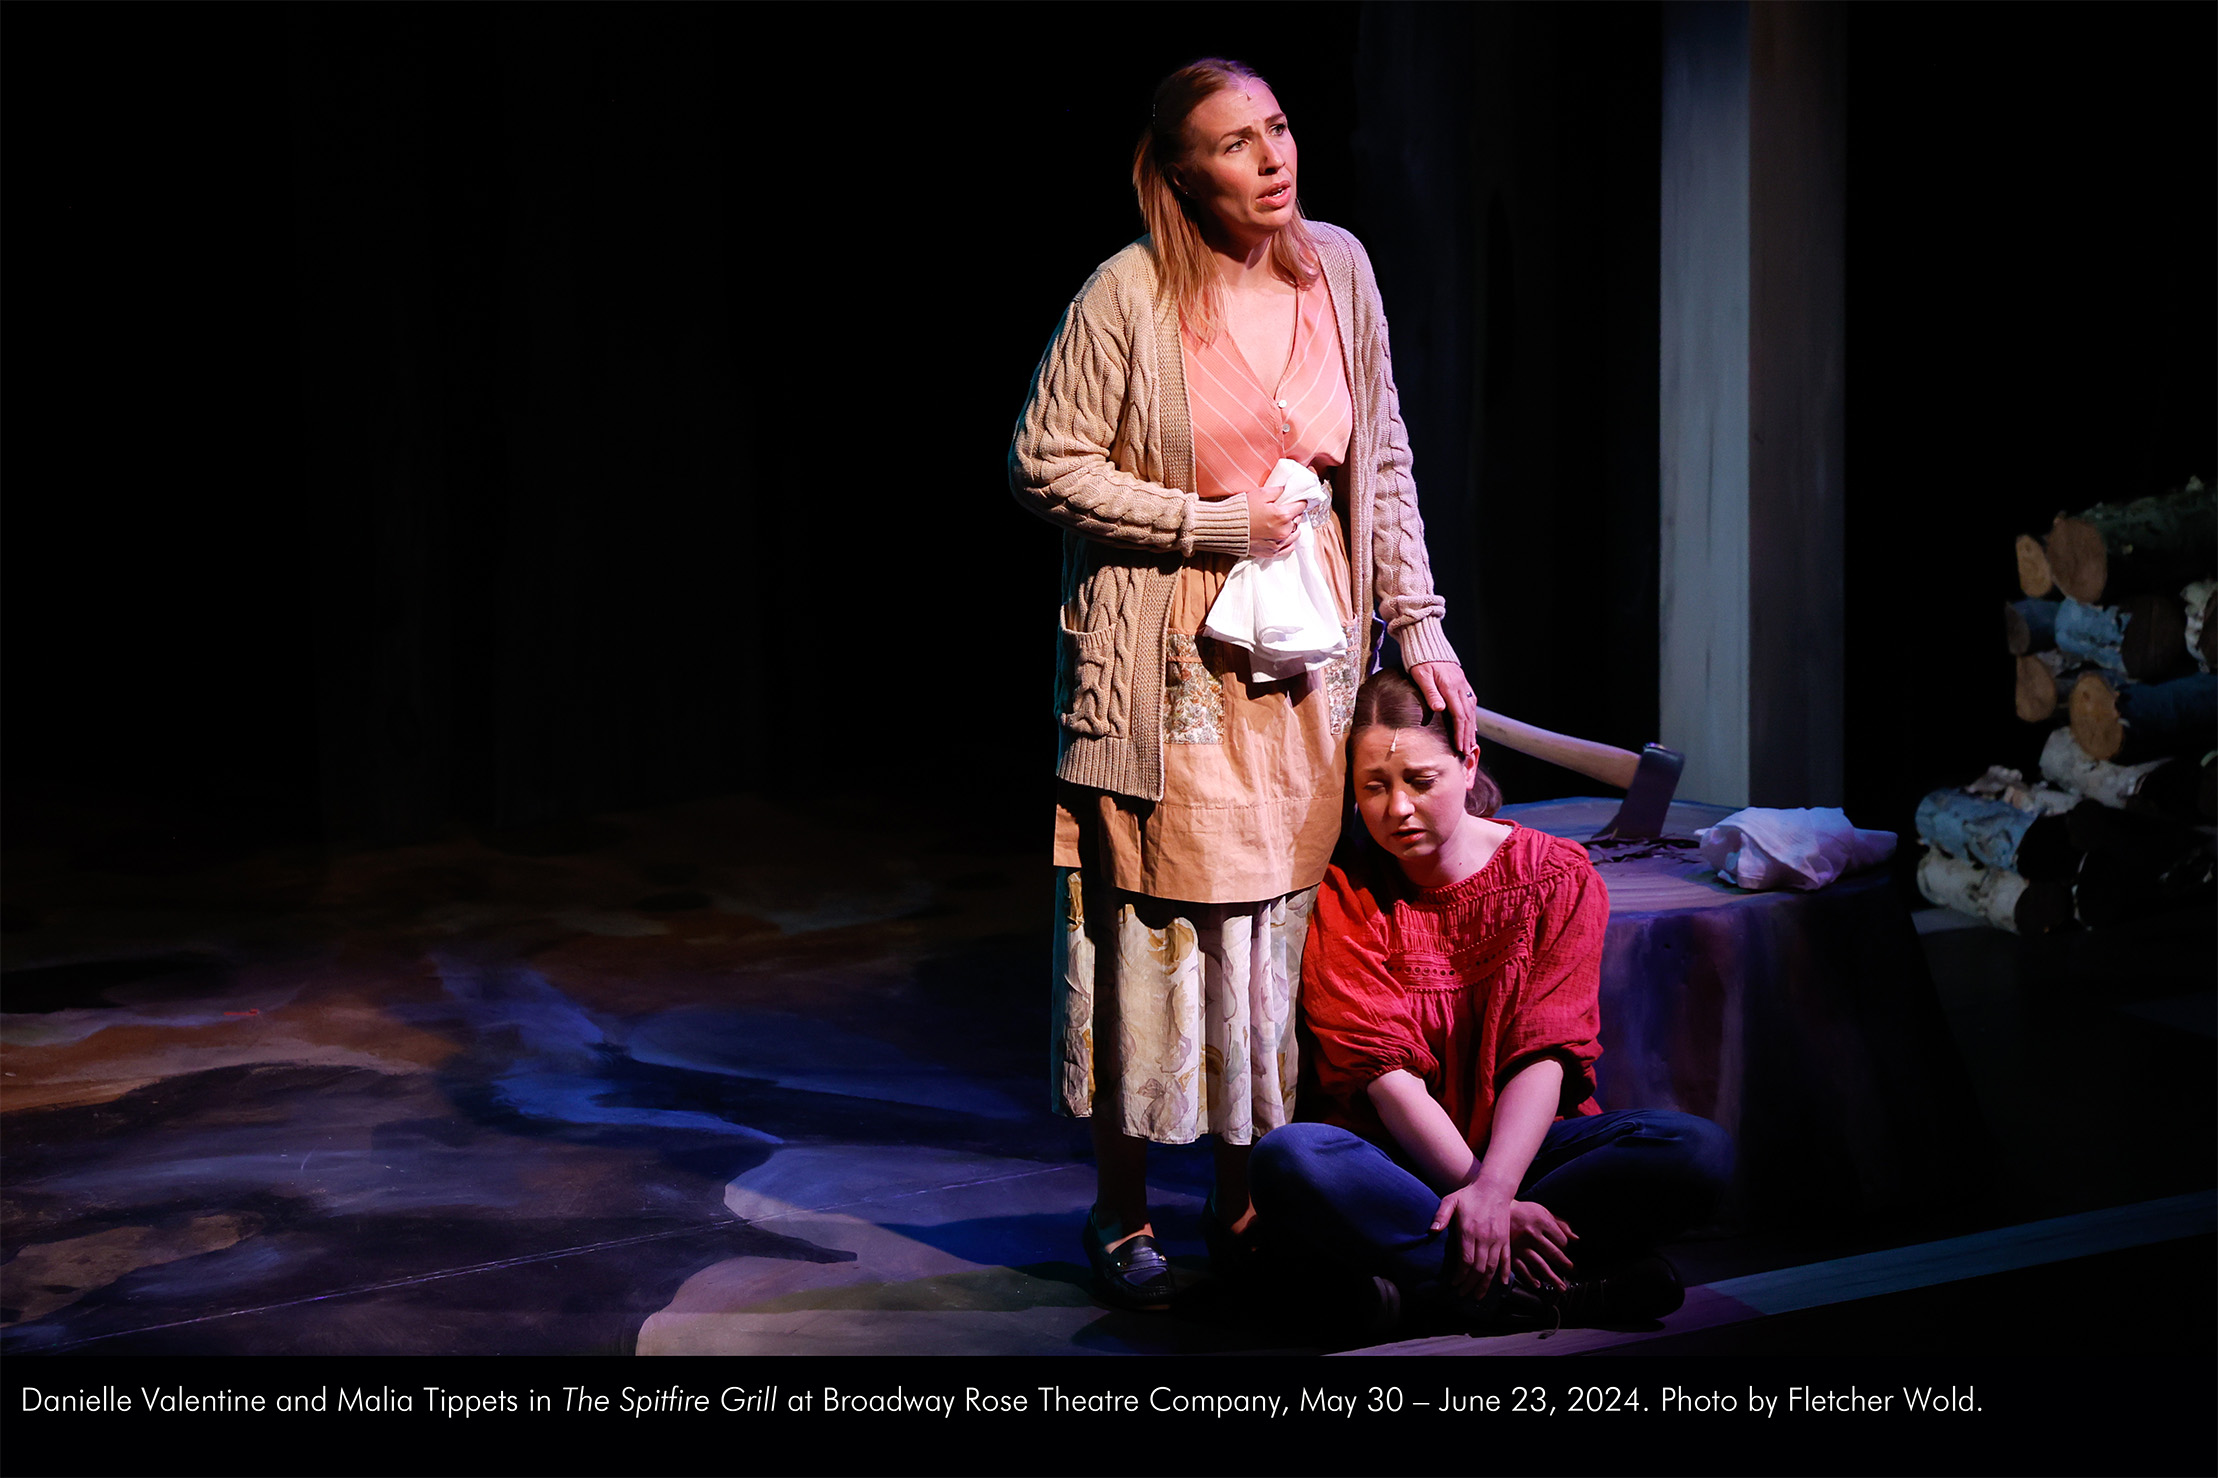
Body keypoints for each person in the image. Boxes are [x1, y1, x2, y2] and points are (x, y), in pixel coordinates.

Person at [1008, 58, 1480, 1310]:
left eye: (1277, 129)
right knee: (1161, 919)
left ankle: (1246, 1201)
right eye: (1234, 144)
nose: (1272, 159)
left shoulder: (1340, 269)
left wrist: (1420, 626)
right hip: (1168, 667)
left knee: (1277, 929)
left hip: (1310, 660)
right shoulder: (1126, 294)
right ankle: (1120, 1209)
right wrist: (1209, 523)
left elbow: (1382, 458)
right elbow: (1043, 462)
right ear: (1180, 173)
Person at [1249, 668, 1734, 1338]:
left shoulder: (1556, 875)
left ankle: (1429, 1291)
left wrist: (1497, 1190)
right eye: (1374, 787)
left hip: (1522, 1152)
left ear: (1469, 763)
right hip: (1400, 1161)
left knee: (1696, 1150)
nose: (1398, 808)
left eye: (1420, 781)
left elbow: (1545, 1051)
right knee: (1290, 1158)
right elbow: (1386, 1076)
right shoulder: (1344, 891)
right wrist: (1480, 1195)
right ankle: (1556, 1293)